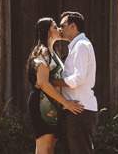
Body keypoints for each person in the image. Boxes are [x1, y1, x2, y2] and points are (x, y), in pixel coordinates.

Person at [26, 17, 83, 154]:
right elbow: (42, 83)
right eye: (55, 27)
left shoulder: (52, 52)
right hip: (42, 103)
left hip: (52, 103)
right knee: (44, 149)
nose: (59, 29)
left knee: (50, 148)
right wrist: (67, 103)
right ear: (47, 32)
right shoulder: (42, 51)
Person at [55, 11, 98, 154]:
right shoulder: (76, 46)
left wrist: (53, 82)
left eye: (62, 25)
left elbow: (77, 79)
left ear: (73, 26)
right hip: (75, 109)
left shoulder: (81, 46)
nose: (60, 29)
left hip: (79, 108)